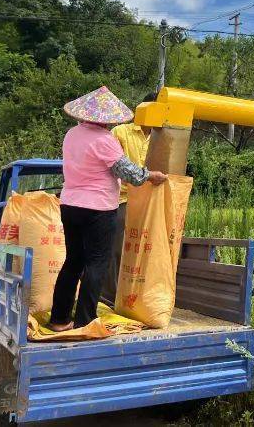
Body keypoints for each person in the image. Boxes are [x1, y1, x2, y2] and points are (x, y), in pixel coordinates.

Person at [48, 87, 167, 331]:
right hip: (97, 209)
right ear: (107, 118)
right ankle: (85, 321)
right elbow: (129, 173)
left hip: (70, 205)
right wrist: (150, 175)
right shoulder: (104, 140)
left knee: (73, 261)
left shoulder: (71, 135)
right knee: (97, 263)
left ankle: (59, 318)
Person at [101, 91, 158, 305]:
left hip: (148, 203)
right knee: (115, 251)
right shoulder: (120, 132)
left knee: (142, 253)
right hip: (121, 200)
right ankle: (109, 299)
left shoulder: (161, 136)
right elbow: (116, 169)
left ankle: (135, 298)